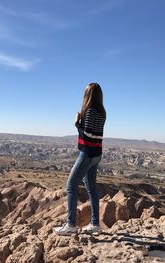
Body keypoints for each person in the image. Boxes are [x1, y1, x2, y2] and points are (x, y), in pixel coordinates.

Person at [55, 83, 106, 236]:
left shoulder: (90, 111)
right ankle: (95, 224)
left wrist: (77, 123)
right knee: (91, 188)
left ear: (88, 95)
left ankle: (71, 225)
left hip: (87, 154)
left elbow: (88, 134)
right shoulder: (102, 112)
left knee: (70, 186)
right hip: (96, 153)